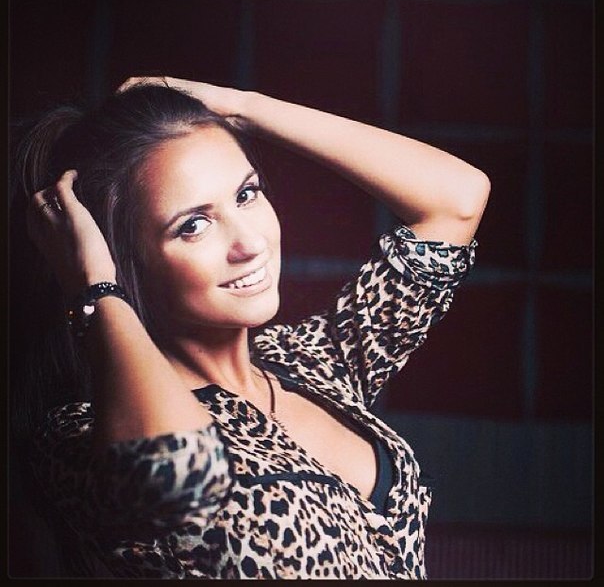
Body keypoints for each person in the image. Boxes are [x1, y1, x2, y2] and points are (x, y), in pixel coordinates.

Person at [10, 76, 489, 579]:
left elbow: (455, 202)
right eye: (193, 225)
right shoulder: (81, 434)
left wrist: (240, 107)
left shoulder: (311, 363)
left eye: (246, 194)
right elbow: (178, 467)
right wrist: (94, 288)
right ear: (118, 258)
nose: (250, 244)